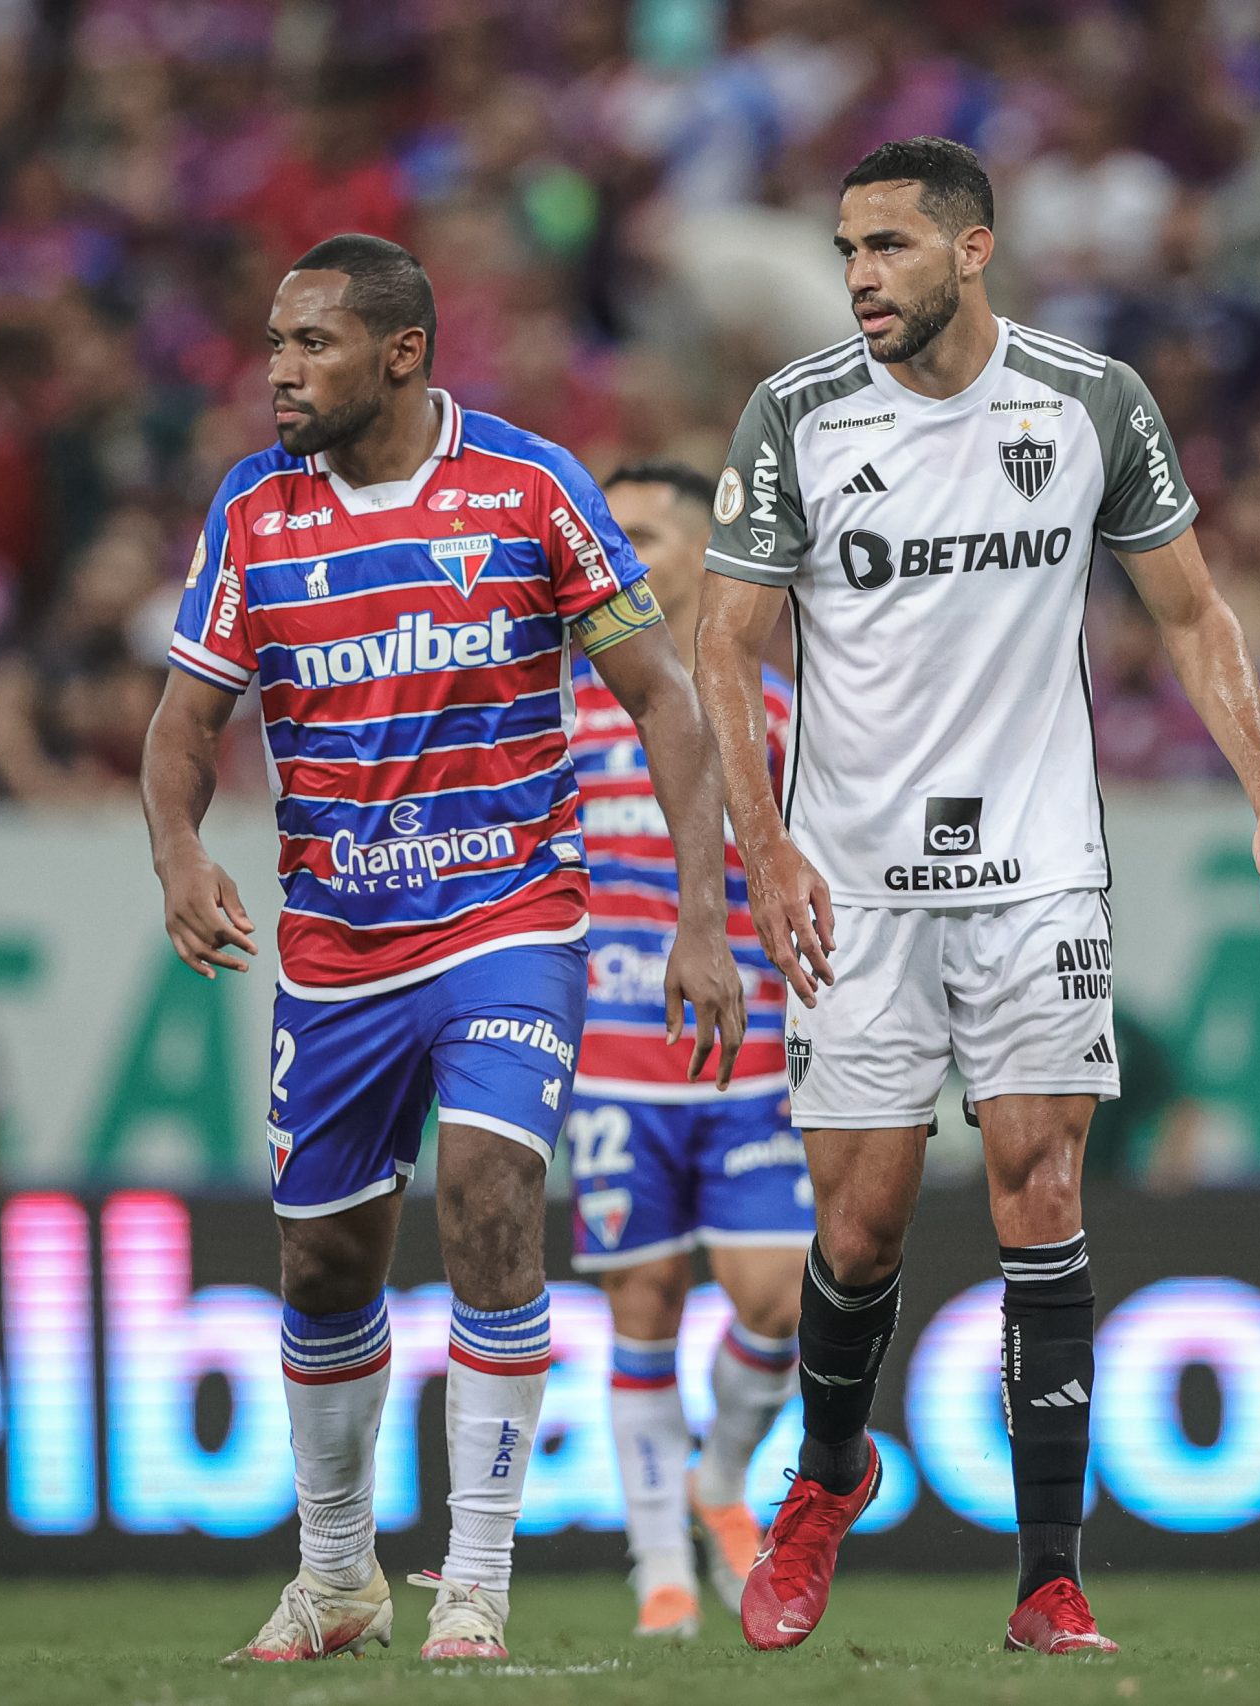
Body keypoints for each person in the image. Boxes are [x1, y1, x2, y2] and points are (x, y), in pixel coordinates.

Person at [697, 139, 1260, 1656]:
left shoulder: (1089, 401)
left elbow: (1192, 613)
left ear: (975, 249)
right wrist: (767, 845)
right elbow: (725, 648)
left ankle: (1049, 1575)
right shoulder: (797, 414)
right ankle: (826, 1477)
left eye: (889, 247)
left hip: (1038, 867)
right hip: (852, 879)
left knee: (1040, 1194)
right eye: (848, 248)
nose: (860, 274)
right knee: (859, 1230)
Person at [140, 234, 744, 1665]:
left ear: (402, 353)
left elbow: (661, 700)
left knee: (488, 1189)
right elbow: (182, 727)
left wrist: (706, 917)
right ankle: (337, 1572)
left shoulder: (530, 487)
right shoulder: (252, 511)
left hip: (510, 919)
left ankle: (474, 1578)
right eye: (276, 344)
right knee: (327, 1267)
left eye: (312, 346)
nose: (279, 371)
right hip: (338, 949)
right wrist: (178, 851)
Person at [564, 460, 807, 1640]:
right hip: (615, 1065)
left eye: (651, 530)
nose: (629, 547)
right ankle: (661, 1567)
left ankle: (720, 1473)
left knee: (778, 1301)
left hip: (754, 1059)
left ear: (706, 551)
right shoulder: (556, 705)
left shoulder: (771, 709)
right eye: (616, 530)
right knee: (642, 1309)